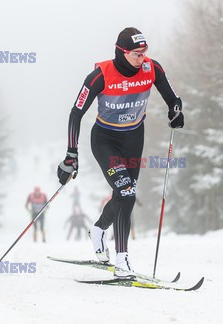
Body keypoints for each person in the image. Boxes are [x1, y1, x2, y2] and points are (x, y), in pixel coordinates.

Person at [57, 27, 184, 278]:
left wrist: (176, 111)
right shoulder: (100, 75)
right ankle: (122, 260)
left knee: (125, 194)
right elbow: (76, 112)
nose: (141, 58)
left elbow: (173, 97)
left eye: (144, 52)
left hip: (134, 138)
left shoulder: (151, 68)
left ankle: (98, 229)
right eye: (136, 53)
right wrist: (71, 154)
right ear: (121, 52)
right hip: (105, 140)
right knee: (126, 191)